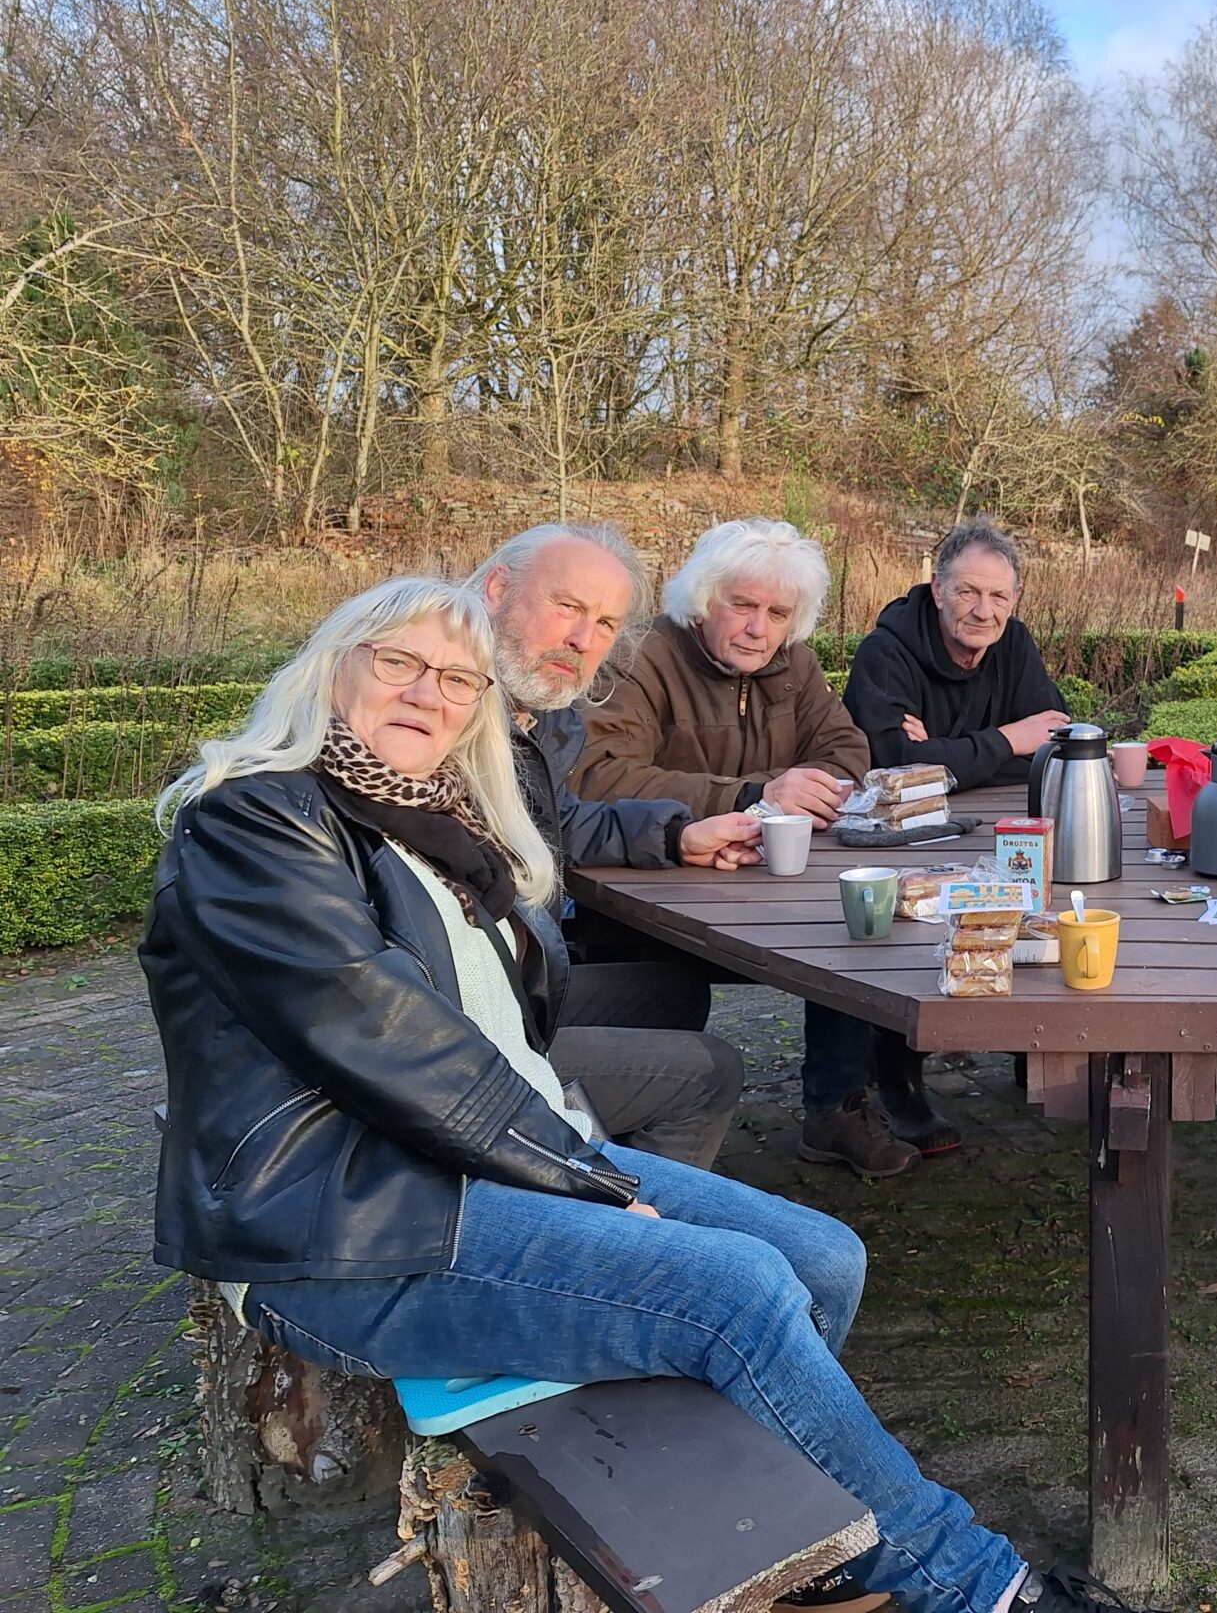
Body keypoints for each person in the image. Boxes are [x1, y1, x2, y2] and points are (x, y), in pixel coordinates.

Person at [138, 576, 1130, 1613]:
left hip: (464, 1173)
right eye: (396, 663)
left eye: (455, 678)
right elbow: (389, 1044)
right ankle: (978, 1588)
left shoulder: (432, 823)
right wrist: (584, 1182)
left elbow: (502, 1033)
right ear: (331, 667)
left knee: (823, 1257)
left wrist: (578, 1169)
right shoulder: (256, 819)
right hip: (342, 1226)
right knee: (735, 1294)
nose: (426, 693)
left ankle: (773, 1539)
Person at [575, 518, 953, 1174]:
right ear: (701, 597)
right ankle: (640, 1119)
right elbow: (600, 772)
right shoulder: (639, 656)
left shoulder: (793, 665)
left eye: (778, 612)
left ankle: (836, 1111)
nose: (759, 627)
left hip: (769, 880)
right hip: (651, 889)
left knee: (853, 924)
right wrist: (754, 793)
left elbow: (846, 750)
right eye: (742, 605)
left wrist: (819, 787)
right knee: (667, 988)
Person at [472, 522, 758, 1171]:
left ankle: (596, 1143)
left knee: (674, 992)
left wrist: (677, 833)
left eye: (604, 623)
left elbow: (555, 824)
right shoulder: (449, 708)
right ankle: (613, 1215)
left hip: (520, 980)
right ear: (495, 589)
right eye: (567, 607)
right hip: (472, 1016)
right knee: (710, 1070)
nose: (581, 639)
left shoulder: (547, 712)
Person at [846, 517, 1070, 791]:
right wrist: (1008, 741)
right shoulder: (885, 654)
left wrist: (936, 757)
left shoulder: (1014, 643)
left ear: (1016, 597)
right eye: (968, 592)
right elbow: (891, 771)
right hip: (910, 828)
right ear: (938, 590)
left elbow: (1056, 753)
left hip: (1002, 818)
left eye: (998, 596)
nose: (984, 612)